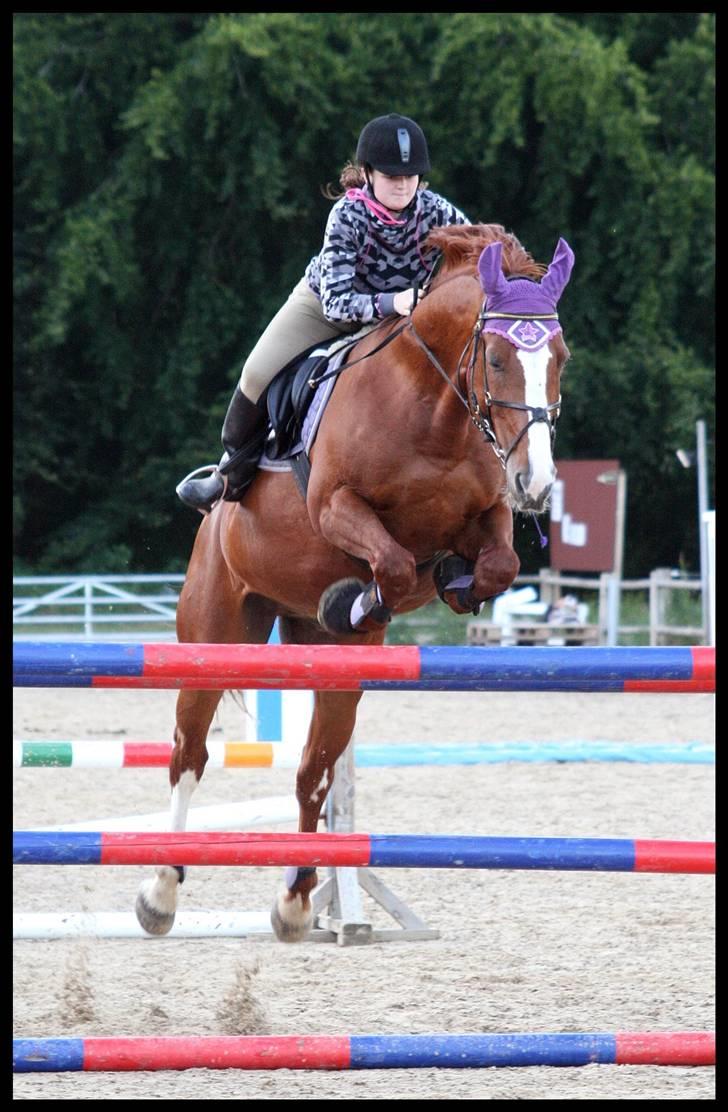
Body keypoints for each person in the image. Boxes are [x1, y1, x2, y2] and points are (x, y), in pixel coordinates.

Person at [176, 113, 470, 513]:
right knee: (256, 372)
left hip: (401, 320)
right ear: (367, 173)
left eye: (411, 175)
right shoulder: (347, 215)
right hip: (326, 309)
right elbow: (337, 301)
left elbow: (481, 253)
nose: (402, 184)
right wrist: (393, 302)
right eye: (390, 175)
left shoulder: (437, 212)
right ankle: (230, 472)